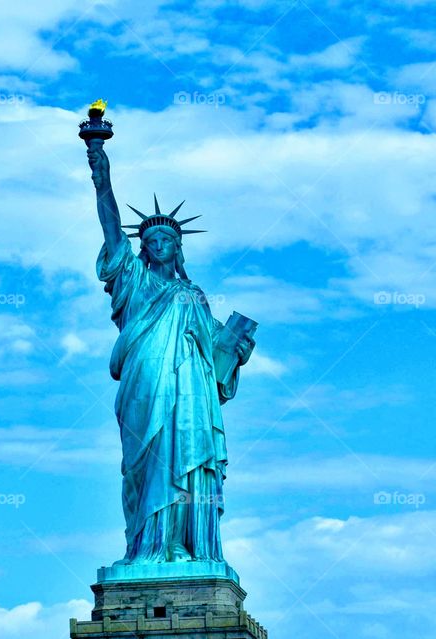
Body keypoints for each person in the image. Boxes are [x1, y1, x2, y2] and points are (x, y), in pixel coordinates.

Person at [87, 142, 254, 563]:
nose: (159, 243)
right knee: (148, 459)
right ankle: (148, 545)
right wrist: (101, 172)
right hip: (146, 379)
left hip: (193, 389)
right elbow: (109, 225)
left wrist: (237, 350)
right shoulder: (133, 279)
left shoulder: (195, 295)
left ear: (178, 248)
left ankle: (186, 545)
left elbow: (218, 360)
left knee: (191, 458)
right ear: (141, 248)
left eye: (167, 238)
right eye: (151, 238)